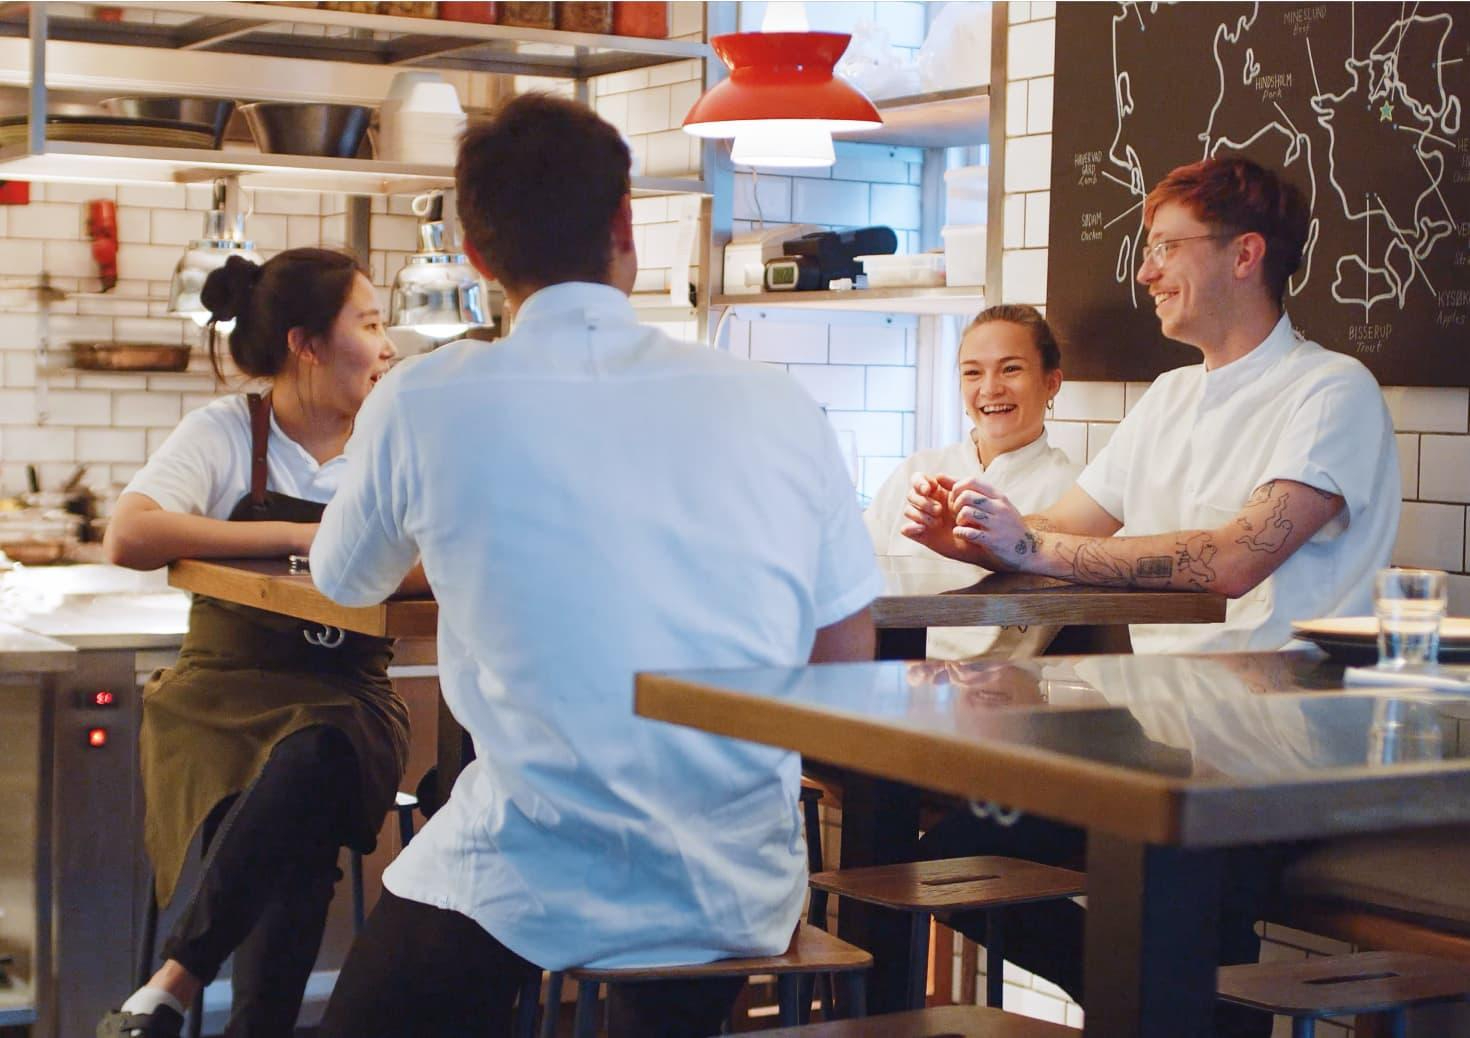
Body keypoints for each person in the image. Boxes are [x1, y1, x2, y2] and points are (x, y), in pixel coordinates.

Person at [312, 93, 880, 1038]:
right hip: (733, 879)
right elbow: (845, 668)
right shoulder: (776, 401)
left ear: (478, 254)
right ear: (625, 227)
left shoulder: (422, 397)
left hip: (530, 864)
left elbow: (344, 582)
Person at [904, 156, 1400, 1036]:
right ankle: (1141, 1002)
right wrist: (978, 538)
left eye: (1166, 246)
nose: (1144, 270)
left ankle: (1163, 1006)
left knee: (1187, 914)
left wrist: (1037, 544)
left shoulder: (1332, 391)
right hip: (1162, 737)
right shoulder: (1171, 397)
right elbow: (1066, 526)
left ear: (1245, 255)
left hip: (1284, 750)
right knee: (957, 854)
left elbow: (1232, 560)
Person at [97, 249, 412, 1038]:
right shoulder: (227, 429)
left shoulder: (396, 444)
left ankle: (171, 981)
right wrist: (312, 534)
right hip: (221, 691)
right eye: (369, 325)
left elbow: (436, 560)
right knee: (301, 826)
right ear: (306, 345)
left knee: (315, 755)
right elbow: (130, 534)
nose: (389, 347)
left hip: (348, 690)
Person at [864, 304, 1078, 657]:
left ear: (1051, 382)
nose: (990, 389)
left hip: (1001, 695)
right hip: (893, 681)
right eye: (973, 373)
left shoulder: (1074, 490)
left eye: (1011, 369)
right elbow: (857, 569)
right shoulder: (919, 471)